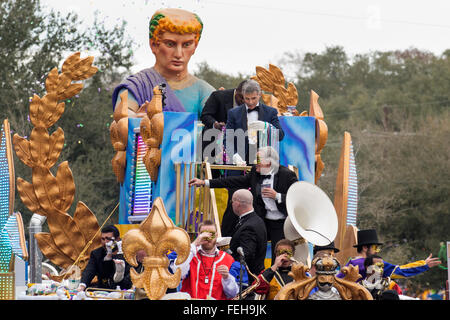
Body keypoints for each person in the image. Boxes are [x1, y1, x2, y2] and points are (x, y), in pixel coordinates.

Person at [189, 146, 298, 262]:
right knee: (253, 247)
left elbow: (297, 199)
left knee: (278, 254)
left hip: (280, 222)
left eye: (259, 160)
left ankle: (276, 277)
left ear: (269, 163)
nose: (256, 164)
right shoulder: (256, 173)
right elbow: (234, 181)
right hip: (263, 219)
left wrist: (277, 196)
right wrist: (205, 182)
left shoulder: (287, 175)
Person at [112, 8, 215, 118]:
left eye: (186, 45)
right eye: (170, 44)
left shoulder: (204, 91)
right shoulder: (137, 86)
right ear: (154, 45)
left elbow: (220, 127)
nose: (179, 54)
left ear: (195, 47)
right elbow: (122, 118)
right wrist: (136, 120)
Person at [337, 229, 441, 281]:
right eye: (374, 247)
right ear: (365, 248)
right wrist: (424, 265)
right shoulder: (370, 264)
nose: (377, 251)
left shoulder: (350, 262)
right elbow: (400, 271)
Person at [171, 220, 239, 300]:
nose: (208, 238)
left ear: (217, 235)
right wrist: (195, 243)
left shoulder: (227, 259)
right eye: (204, 234)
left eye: (212, 234)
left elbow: (233, 294)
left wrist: (226, 277)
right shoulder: (190, 255)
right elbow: (178, 274)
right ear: (199, 235)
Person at [225, 79, 284, 164]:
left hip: (263, 162)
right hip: (239, 163)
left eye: (253, 98)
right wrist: (234, 155)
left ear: (259, 95)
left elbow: (280, 136)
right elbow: (228, 139)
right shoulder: (233, 113)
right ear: (243, 96)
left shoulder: (271, 112)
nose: (250, 102)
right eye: (247, 99)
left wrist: (267, 126)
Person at [78, 225, 132, 291]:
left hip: (122, 290)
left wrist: (115, 254)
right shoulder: (96, 253)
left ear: (117, 239)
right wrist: (82, 285)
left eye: (108, 239)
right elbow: (89, 271)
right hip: (102, 290)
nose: (105, 242)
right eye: (103, 239)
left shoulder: (127, 254)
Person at [227, 189, 267, 277]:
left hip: (246, 278)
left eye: (232, 201)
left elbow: (246, 255)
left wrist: (226, 257)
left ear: (237, 204)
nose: (232, 204)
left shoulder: (249, 226)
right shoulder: (256, 220)